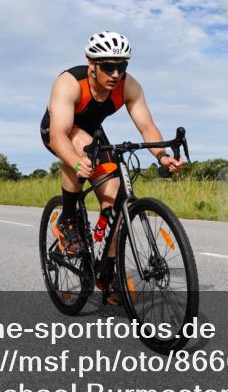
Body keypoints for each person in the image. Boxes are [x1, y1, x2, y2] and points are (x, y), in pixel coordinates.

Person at [40, 31, 183, 304]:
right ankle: (68, 219)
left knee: (115, 195)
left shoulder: (129, 86)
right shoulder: (69, 83)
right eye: (108, 66)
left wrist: (162, 156)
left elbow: (146, 126)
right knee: (80, 152)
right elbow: (59, 135)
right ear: (91, 63)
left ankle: (108, 270)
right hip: (58, 128)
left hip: (91, 131)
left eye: (122, 66)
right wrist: (74, 162)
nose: (116, 73)